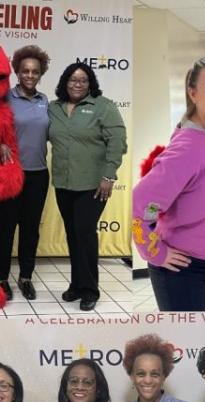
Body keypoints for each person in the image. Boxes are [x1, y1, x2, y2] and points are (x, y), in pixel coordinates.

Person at [131, 57, 205, 310]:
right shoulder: (188, 148)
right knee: (189, 347)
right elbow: (143, 205)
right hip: (185, 270)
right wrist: (155, 251)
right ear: (193, 93)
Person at [48, 61, 127, 311]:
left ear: (90, 83)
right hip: (63, 182)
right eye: (73, 79)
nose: (78, 84)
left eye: (83, 79)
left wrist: (108, 176)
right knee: (72, 235)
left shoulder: (104, 107)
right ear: (65, 82)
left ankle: (90, 289)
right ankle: (76, 285)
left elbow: (118, 143)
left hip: (93, 184)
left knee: (85, 234)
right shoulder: (54, 108)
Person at [0, 45, 52, 301]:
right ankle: (1, 278)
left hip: (38, 175)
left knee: (30, 230)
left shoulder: (44, 101)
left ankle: (26, 276)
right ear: (16, 71)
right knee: (5, 228)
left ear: (40, 74)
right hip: (9, 173)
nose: (30, 75)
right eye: (25, 71)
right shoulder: (4, 98)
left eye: (35, 72)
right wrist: (1, 142)